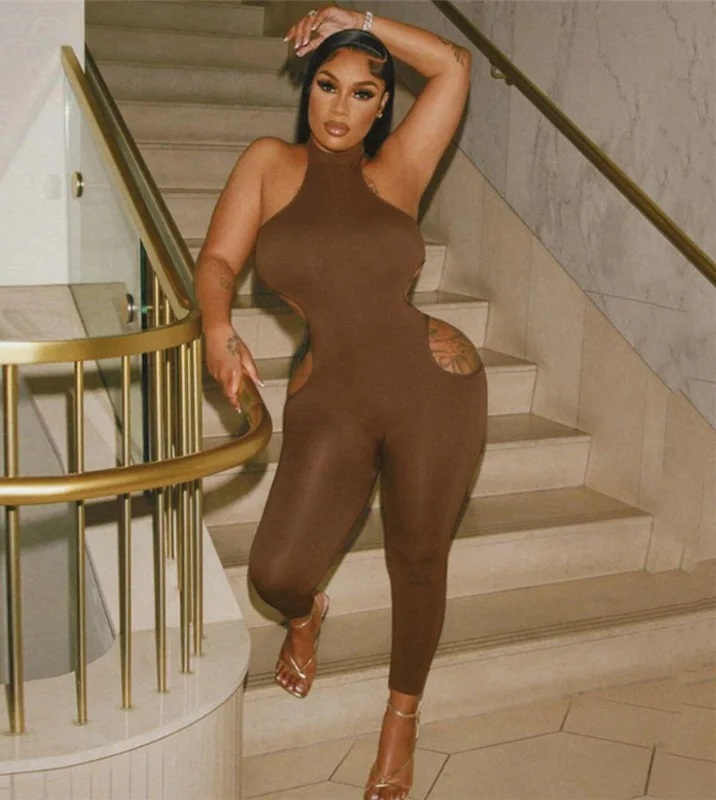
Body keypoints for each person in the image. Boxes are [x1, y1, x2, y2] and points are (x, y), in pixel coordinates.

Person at [194, 6, 486, 799]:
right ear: (307, 86)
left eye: (363, 93)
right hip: (332, 395)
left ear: (383, 105)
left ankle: (401, 718)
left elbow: (455, 66)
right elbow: (218, 260)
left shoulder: (399, 170)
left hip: (432, 387)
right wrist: (217, 327)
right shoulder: (269, 163)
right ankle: (306, 614)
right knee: (276, 572)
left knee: (417, 557)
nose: (340, 107)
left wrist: (359, 19)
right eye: (328, 84)